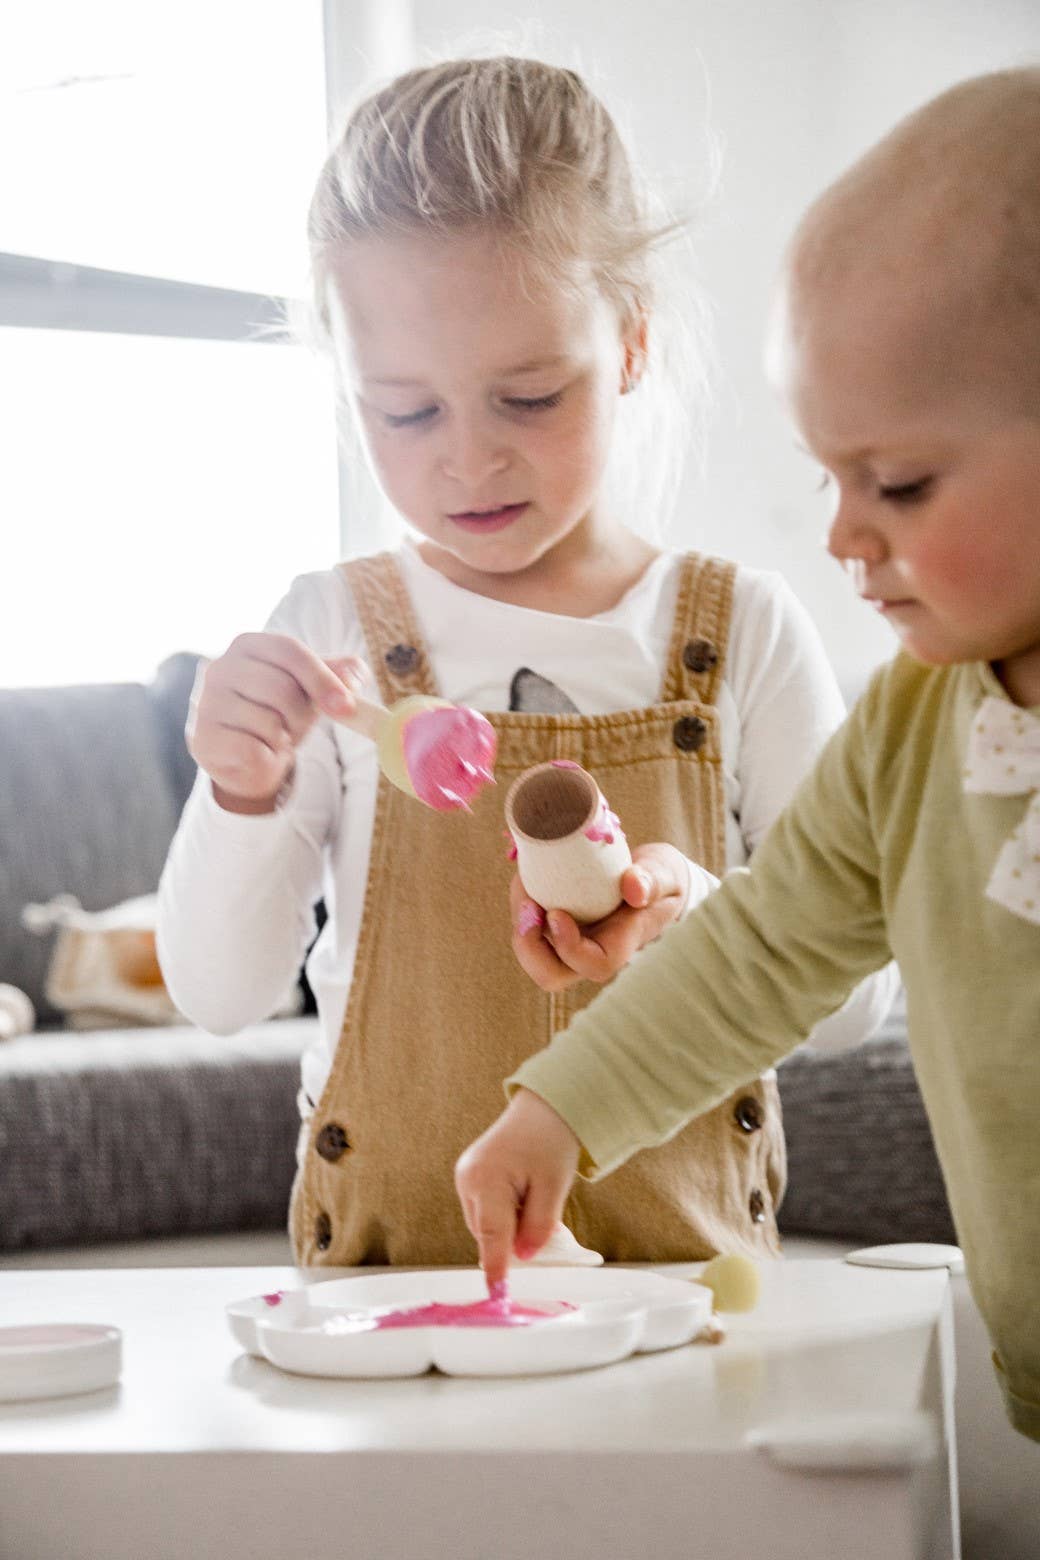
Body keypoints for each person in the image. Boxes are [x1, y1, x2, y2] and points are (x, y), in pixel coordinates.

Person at [157, 54, 894, 1270]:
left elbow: (849, 1003)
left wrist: (685, 920)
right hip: (391, 1290)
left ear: (633, 345)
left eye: (530, 395)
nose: (468, 462)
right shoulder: (332, 630)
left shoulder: (740, 632)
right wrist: (243, 792)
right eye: (404, 412)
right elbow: (219, 994)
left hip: (687, 1298)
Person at [454, 66, 1040, 1442]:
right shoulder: (911, 728)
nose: (842, 532)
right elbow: (760, 953)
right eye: (828, 475)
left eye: (897, 484)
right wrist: (559, 1115)